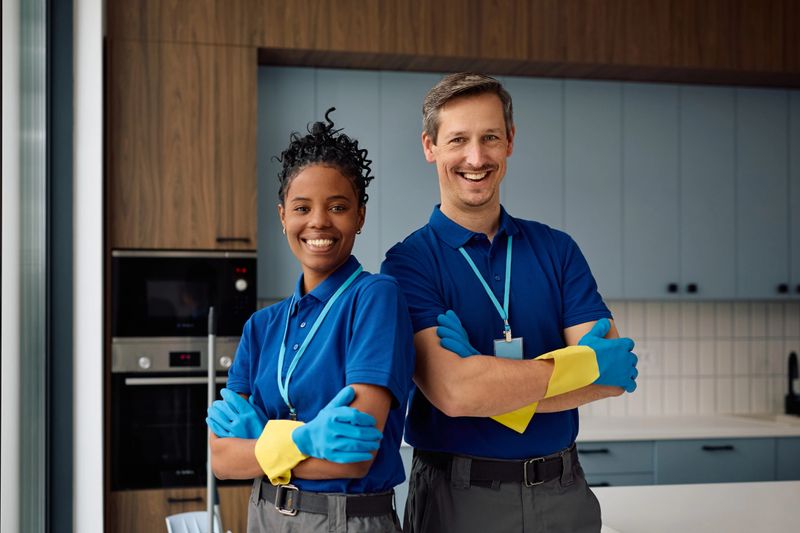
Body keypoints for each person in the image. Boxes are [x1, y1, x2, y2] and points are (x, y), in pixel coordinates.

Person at [381, 73, 639, 533]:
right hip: (457, 499)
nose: (475, 158)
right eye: (458, 139)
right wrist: (573, 368)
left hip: (564, 494)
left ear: (510, 142)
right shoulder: (408, 264)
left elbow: (611, 375)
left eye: (490, 138)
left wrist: (484, 377)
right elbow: (454, 394)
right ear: (430, 146)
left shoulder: (557, 250)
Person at [206, 109, 414, 532]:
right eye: (302, 207)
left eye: (337, 206)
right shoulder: (261, 327)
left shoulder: (374, 298)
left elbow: (354, 457)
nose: (319, 220)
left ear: (360, 215)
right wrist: (305, 438)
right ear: (283, 216)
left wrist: (262, 438)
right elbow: (223, 460)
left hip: (343, 520)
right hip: (263, 515)